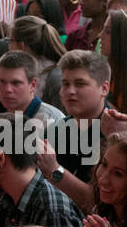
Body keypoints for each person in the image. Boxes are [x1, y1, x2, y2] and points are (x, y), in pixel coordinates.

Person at [35, 50, 109, 210]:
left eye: (80, 84)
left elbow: (97, 202)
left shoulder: (115, 134)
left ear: (104, 88)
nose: (70, 91)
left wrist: (54, 170)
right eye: (66, 84)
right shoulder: (56, 129)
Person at [0, 50, 65, 124]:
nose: (7, 89)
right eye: (2, 82)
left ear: (33, 85)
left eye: (16, 83)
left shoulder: (52, 122)